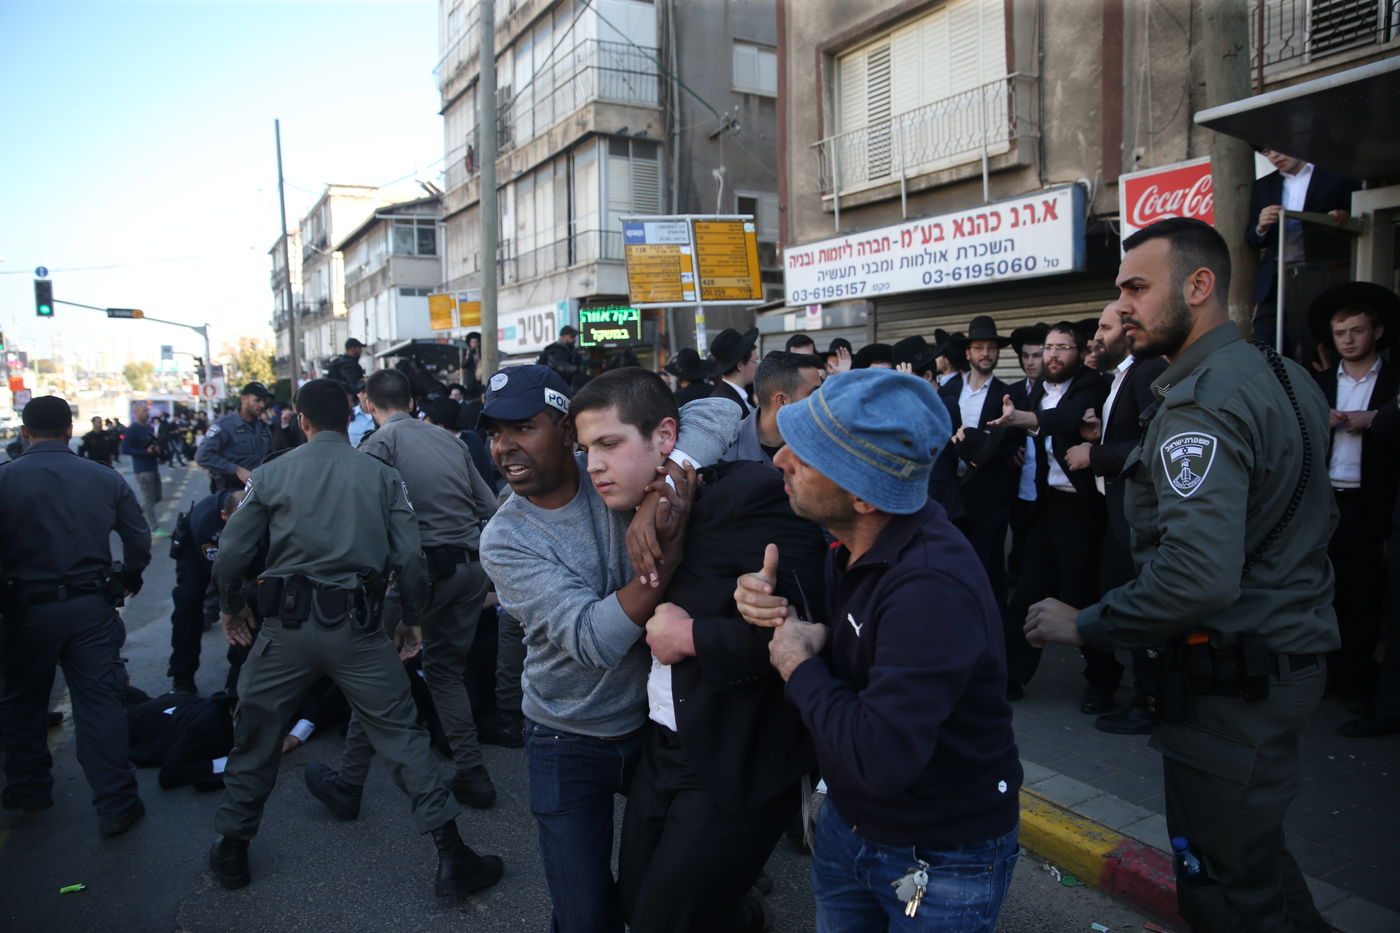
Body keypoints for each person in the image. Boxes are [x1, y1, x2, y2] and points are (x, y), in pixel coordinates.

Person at [1025, 217, 1339, 932]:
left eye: (1137, 287)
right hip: (1273, 665)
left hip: (1233, 681)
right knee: (1256, 864)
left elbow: (1196, 575)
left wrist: (1087, 624)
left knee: (1226, 891)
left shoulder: (1203, 399)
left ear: (1200, 286)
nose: (1123, 306)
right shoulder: (1285, 377)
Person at [735, 369, 1022, 931]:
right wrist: (818, 634)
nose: (780, 461)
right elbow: (873, 653)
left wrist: (798, 663)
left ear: (863, 496)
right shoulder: (856, 546)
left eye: (807, 455)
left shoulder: (930, 587)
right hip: (854, 826)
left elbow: (880, 756)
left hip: (939, 855)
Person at [206, 379, 502, 898]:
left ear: (300, 420)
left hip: (285, 632)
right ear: (351, 417)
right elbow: (409, 559)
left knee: (255, 734)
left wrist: (232, 609)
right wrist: (411, 620)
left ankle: (232, 848)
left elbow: (231, 554)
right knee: (403, 736)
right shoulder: (381, 476)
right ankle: (452, 855)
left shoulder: (272, 474)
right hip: (359, 629)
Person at [479, 366, 738, 933]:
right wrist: (663, 558)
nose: (505, 447)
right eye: (495, 433)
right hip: (565, 737)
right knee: (585, 916)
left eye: (522, 426)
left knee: (677, 893)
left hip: (656, 725)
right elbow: (595, 640)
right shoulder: (506, 537)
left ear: (566, 428)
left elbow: (717, 412)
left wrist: (668, 483)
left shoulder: (611, 471)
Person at [570, 369, 826, 933]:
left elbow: (808, 632)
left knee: (666, 920)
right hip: (660, 750)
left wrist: (689, 636)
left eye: (609, 444)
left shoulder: (753, 495)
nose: (594, 465)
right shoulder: (629, 512)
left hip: (735, 758)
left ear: (665, 438)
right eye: (586, 448)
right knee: (637, 906)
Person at [305, 368, 500, 818]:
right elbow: (489, 507)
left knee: (373, 677)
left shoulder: (379, 445)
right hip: (470, 569)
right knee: (446, 672)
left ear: (367, 405)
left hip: (420, 573)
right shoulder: (450, 441)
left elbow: (361, 519)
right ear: (411, 403)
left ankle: (348, 784)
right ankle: (473, 774)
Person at [0, 396, 151, 835]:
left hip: (23, 611)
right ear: (70, 430)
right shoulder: (102, 477)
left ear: (25, 434)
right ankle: (117, 804)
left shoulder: (6, 480)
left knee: (23, 703)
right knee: (99, 704)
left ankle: (28, 789)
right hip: (90, 606)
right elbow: (138, 539)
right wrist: (128, 578)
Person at [991, 322, 1113, 706]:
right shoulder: (1035, 392)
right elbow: (1005, 435)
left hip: (1084, 510)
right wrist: (970, 443)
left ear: (1079, 352)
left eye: (1063, 347)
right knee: (1027, 593)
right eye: (1048, 347)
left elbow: (1067, 419)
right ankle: (1008, 677)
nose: (1053, 355)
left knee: (1080, 596)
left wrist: (1025, 421)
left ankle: (1103, 682)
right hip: (1047, 507)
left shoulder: (1093, 384)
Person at [1063, 306, 1168, 735]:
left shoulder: (1147, 373)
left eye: (1104, 329)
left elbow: (1157, 443)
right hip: (1118, 514)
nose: (1096, 339)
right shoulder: (1123, 375)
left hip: (1136, 516)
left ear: (1128, 331)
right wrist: (1097, 437)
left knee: (1145, 608)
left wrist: (1096, 455)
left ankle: (1151, 701)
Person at [1306, 282, 1399, 714]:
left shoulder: (1394, 383)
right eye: (1341, 332)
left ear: (1376, 333)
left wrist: (1377, 419)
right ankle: (1328, 676)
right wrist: (1316, 421)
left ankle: (1358, 680)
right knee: (1322, 592)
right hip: (1324, 503)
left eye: (1357, 331)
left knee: (1363, 596)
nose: (1348, 339)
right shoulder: (1319, 382)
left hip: (1370, 502)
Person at [1245, 148, 1360, 356]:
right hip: (1277, 279)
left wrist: (1343, 217)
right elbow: (1251, 238)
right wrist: (1261, 226)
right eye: (1266, 152)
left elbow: (1362, 219)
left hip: (1322, 275)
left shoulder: (1336, 174)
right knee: (1266, 343)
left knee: (1316, 347)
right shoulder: (1263, 186)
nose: (1273, 156)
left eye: (1277, 148)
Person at [942, 317, 1021, 614]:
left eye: (991, 347)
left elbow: (1015, 440)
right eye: (979, 347)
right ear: (968, 353)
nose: (986, 353)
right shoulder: (948, 391)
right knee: (953, 568)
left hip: (990, 497)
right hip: (953, 496)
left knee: (989, 570)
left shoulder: (1010, 394)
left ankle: (993, 631)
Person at [168, 489, 244, 695]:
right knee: (188, 601)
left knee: (252, 602)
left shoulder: (256, 514)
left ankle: (238, 675)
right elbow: (221, 576)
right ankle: (182, 676)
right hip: (196, 548)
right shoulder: (206, 522)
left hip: (235, 552)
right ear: (224, 516)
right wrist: (228, 606)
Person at [721, 350, 824, 467]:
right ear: (781, 401)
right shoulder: (725, 452)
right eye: (814, 394)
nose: (821, 401)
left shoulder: (821, 440)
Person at [1006, 323, 1048, 584]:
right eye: (1025, 356)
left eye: (1037, 355)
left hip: (1049, 489)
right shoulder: (1013, 393)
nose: (1030, 362)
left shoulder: (1057, 392)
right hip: (1018, 487)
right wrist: (1011, 451)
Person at [196, 382, 274, 491]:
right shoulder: (224, 425)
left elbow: (270, 456)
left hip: (259, 489)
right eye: (257, 400)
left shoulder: (263, 427)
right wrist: (236, 470)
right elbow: (202, 456)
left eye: (264, 401)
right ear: (244, 400)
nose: (262, 405)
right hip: (232, 492)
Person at [121, 404, 166, 537]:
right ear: (136, 413)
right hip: (142, 469)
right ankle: (153, 528)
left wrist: (157, 449)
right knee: (148, 498)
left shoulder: (148, 427)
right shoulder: (133, 429)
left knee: (156, 497)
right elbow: (125, 449)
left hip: (153, 466)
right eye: (144, 411)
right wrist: (144, 452)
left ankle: (135, 512)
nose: (147, 413)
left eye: (147, 411)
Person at [708, 327, 760, 416]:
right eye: (755, 361)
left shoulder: (747, 393)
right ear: (740, 366)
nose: (758, 366)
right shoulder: (723, 403)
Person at [538, 325, 588, 392]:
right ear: (564, 337)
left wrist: (599, 363)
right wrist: (578, 368)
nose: (575, 339)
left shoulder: (569, 349)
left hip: (562, 386)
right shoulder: (555, 349)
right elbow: (561, 367)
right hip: (552, 389)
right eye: (572, 336)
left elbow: (582, 359)